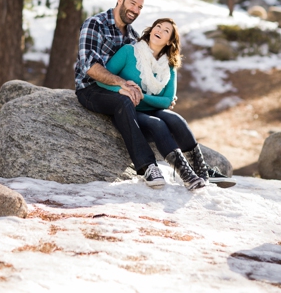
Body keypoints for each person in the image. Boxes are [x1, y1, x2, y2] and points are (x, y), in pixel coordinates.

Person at [97, 17, 236, 189]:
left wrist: (142, 96)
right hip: (129, 110)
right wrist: (123, 89)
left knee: (177, 119)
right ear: (151, 30)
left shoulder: (169, 66)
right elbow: (102, 80)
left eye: (166, 31)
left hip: (151, 108)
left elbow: (167, 100)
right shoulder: (128, 52)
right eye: (158, 26)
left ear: (170, 41)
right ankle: (186, 175)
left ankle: (201, 171)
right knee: (158, 124)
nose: (159, 30)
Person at [75, 0, 165, 187]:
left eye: (140, 7)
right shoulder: (95, 24)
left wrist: (163, 94)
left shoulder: (133, 37)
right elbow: (89, 66)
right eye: (133, 3)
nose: (135, 10)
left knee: (163, 114)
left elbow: (146, 71)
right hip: (91, 90)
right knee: (124, 102)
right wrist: (121, 83)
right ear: (120, 0)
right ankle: (147, 166)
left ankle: (194, 166)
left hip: (118, 90)